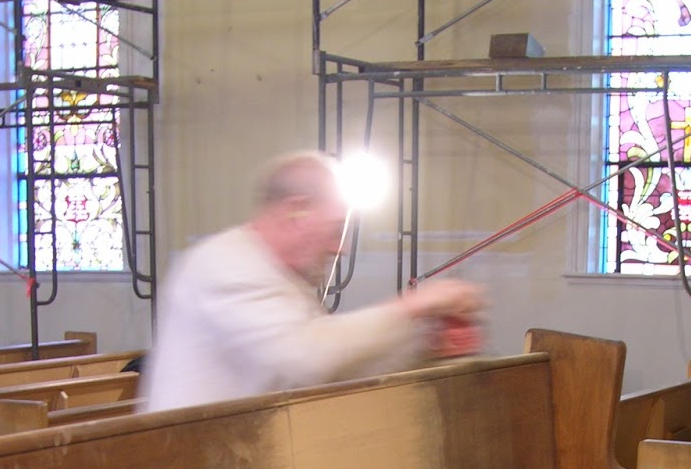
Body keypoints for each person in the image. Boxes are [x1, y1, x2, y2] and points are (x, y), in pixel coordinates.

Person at [143, 151, 484, 412]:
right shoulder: (224, 264)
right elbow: (307, 358)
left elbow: (339, 371)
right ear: (298, 210)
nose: (342, 247)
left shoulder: (282, 280)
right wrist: (413, 306)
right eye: (337, 229)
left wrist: (428, 342)